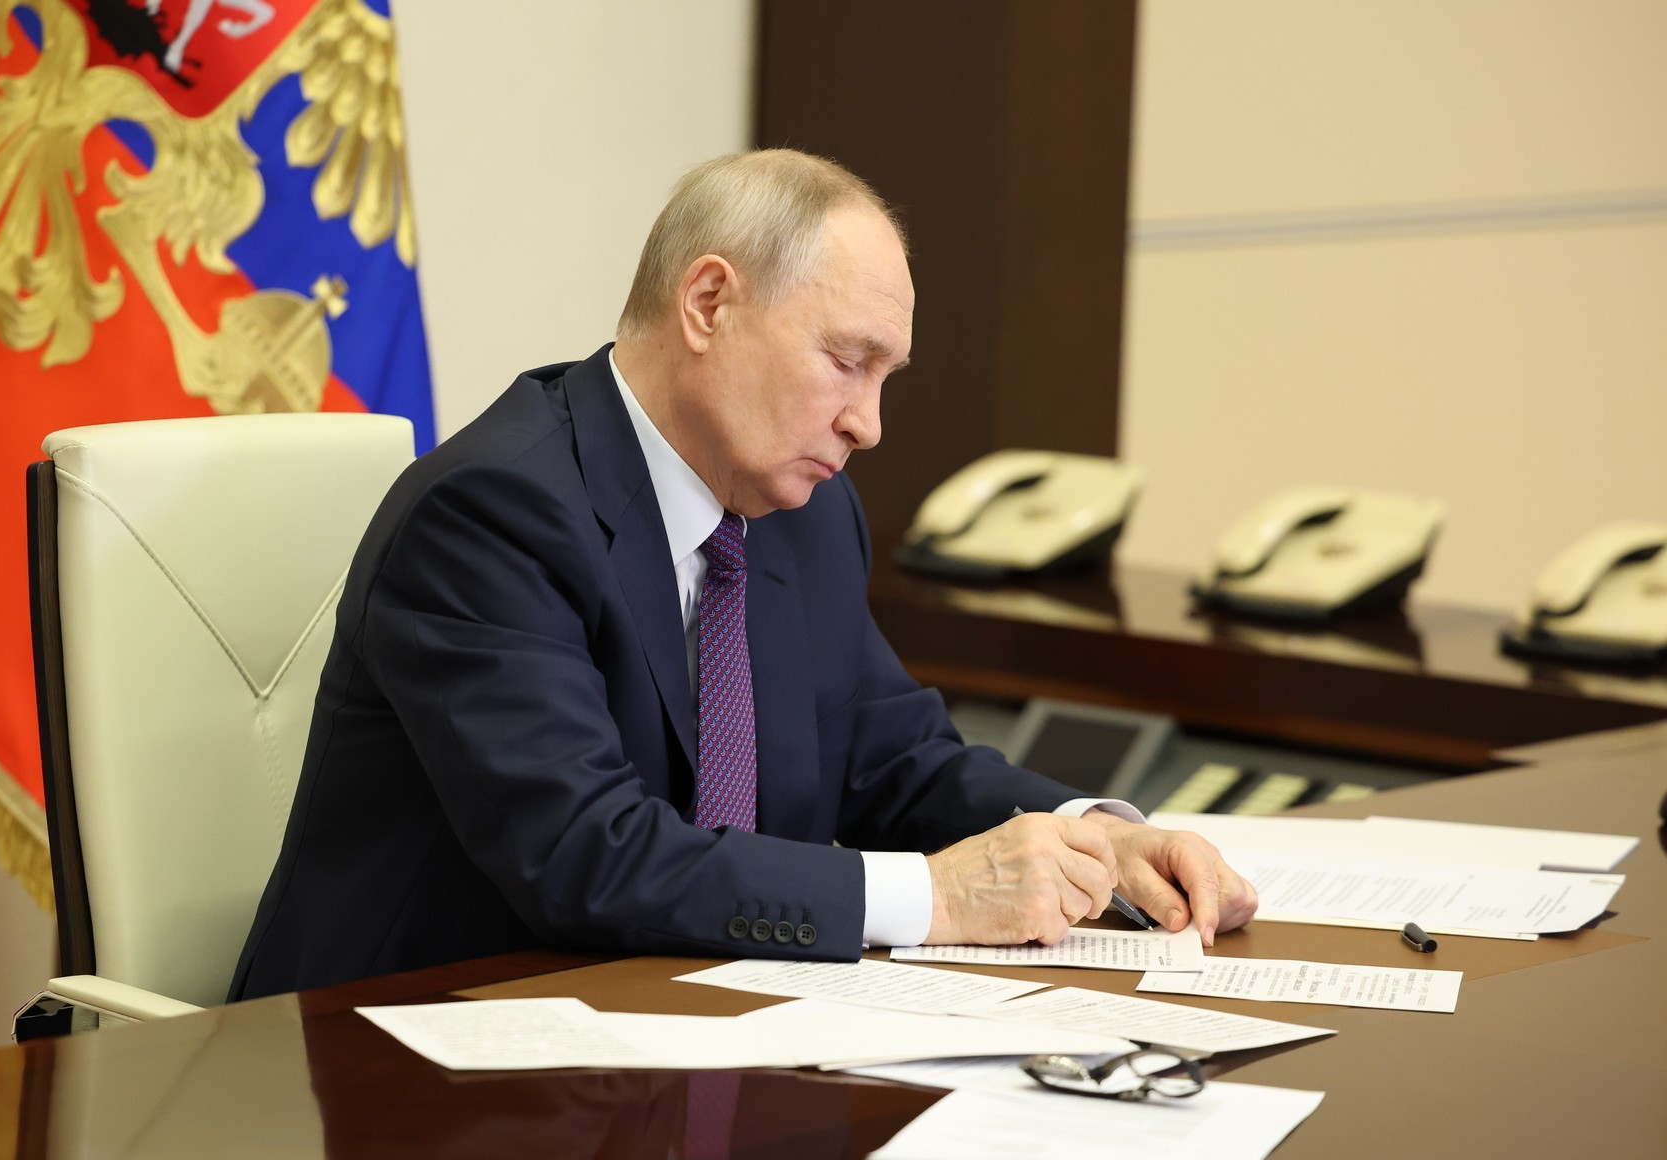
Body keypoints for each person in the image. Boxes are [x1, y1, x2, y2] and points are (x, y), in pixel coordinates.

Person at [229, 149, 1256, 1001]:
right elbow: (588, 854)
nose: (868, 424)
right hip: (405, 1056)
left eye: (885, 378)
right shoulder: (492, 511)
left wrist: (1096, 840)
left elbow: (893, 760)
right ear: (709, 302)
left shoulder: (802, 513)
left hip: (680, 1036)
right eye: (846, 361)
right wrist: (939, 896)